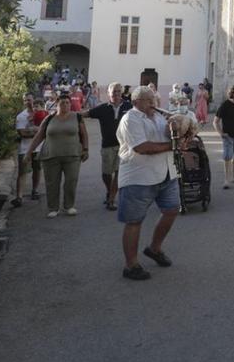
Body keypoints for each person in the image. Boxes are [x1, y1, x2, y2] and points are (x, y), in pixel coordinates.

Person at [115, 86, 181, 281]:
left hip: (167, 172)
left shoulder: (159, 117)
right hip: (139, 177)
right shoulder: (131, 118)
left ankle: (154, 248)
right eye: (148, 100)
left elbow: (168, 138)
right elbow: (142, 147)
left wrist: (176, 129)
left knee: (172, 210)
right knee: (134, 221)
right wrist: (173, 145)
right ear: (136, 103)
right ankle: (131, 265)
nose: (153, 103)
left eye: (154, 99)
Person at [22, 90, 88, 218]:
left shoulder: (77, 117)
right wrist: (28, 152)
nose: (65, 105)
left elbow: (84, 134)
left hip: (73, 155)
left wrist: (85, 149)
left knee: (71, 181)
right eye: (62, 103)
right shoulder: (49, 118)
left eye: (67, 103)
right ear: (57, 104)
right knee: (52, 182)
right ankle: (53, 208)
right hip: (51, 155)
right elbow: (39, 136)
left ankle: (69, 206)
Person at [85, 82, 131, 211]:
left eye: (118, 91)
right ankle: (109, 190)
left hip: (123, 146)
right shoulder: (102, 108)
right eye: (113, 91)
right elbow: (86, 114)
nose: (116, 93)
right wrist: (68, 114)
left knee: (118, 172)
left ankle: (111, 198)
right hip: (107, 145)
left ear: (121, 92)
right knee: (106, 173)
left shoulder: (129, 106)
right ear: (108, 93)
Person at [13, 94, 41, 207]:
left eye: (29, 100)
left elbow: (45, 130)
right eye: (25, 100)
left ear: (33, 100)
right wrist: (36, 132)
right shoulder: (21, 116)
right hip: (24, 149)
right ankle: (19, 197)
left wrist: (34, 132)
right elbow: (22, 133)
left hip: (38, 148)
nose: (28, 102)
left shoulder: (41, 114)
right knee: (22, 172)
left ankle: (35, 190)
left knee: (37, 169)